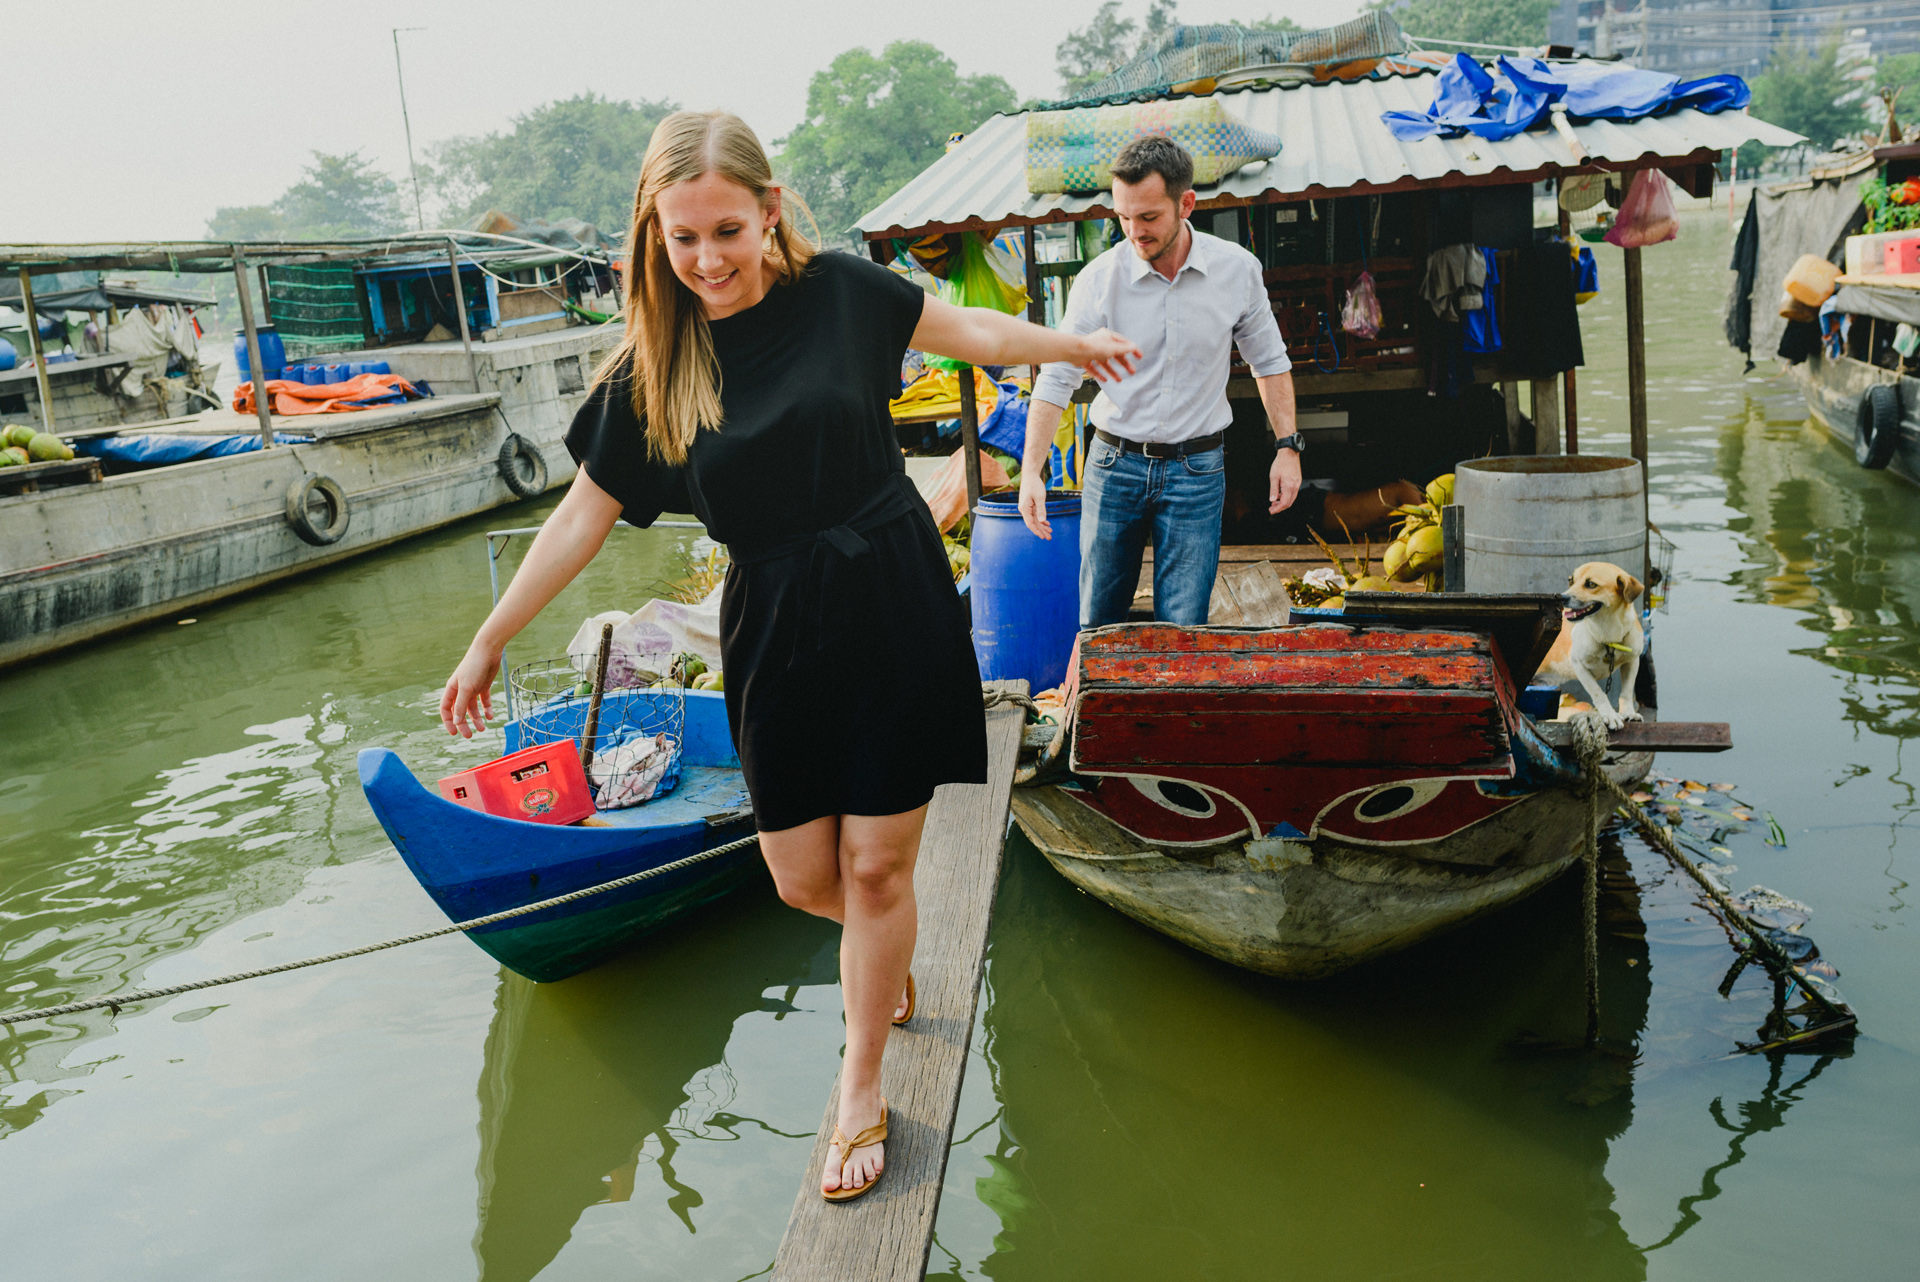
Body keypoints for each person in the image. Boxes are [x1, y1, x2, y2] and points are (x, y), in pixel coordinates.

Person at [437, 110, 1139, 1204]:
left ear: (769, 211)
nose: (709, 260)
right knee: (804, 877)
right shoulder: (656, 365)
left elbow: (975, 335)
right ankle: (883, 960)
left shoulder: (843, 294)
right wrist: (489, 637)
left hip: (890, 590)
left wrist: (1072, 348)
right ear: (653, 236)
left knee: (875, 867)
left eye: (728, 229)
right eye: (683, 239)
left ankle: (861, 1084)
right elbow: (581, 516)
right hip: (770, 618)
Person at [1019, 134, 1304, 627]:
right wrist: (1031, 471)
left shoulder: (1236, 270)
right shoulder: (1097, 280)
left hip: (1197, 469)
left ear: (1186, 203)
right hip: (1113, 464)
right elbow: (1055, 380)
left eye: (1148, 217)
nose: (1134, 231)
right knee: (1098, 621)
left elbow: (1269, 362)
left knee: (1184, 626)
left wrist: (1287, 446)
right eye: (1123, 217)